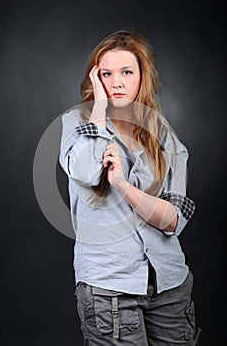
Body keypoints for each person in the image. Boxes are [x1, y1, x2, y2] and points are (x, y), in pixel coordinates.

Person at [59, 30, 201, 345]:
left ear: (142, 77)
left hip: (169, 284)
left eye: (127, 72)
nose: (117, 82)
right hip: (108, 290)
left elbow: (173, 220)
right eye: (106, 74)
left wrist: (123, 185)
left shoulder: (164, 137)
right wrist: (97, 110)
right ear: (95, 79)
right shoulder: (76, 123)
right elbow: (84, 171)